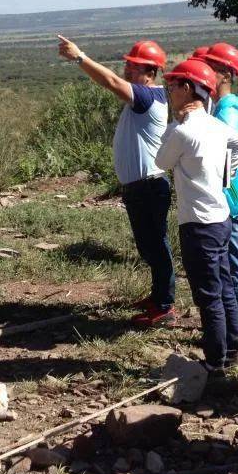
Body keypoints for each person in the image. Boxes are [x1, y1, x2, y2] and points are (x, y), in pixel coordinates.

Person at [56, 36, 175, 327]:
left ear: (151, 72)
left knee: (156, 247)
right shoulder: (149, 96)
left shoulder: (146, 96)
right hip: (142, 186)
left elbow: (109, 81)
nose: (127, 71)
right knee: (149, 247)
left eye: (134, 67)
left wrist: (79, 57)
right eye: (128, 65)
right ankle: (159, 297)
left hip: (148, 185)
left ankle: (164, 305)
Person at [155, 59, 238, 374]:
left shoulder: (182, 131)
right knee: (223, 286)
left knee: (208, 295)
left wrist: (173, 124)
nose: (169, 92)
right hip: (220, 217)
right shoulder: (214, 125)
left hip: (197, 224)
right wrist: (227, 174)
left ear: (187, 88)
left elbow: (160, 160)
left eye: (172, 86)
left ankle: (215, 363)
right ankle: (231, 351)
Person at [200, 42, 238, 332]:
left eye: (211, 68)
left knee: (235, 255)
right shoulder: (235, 107)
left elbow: (229, 160)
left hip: (233, 194)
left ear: (225, 74)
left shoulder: (226, 114)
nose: (205, 72)